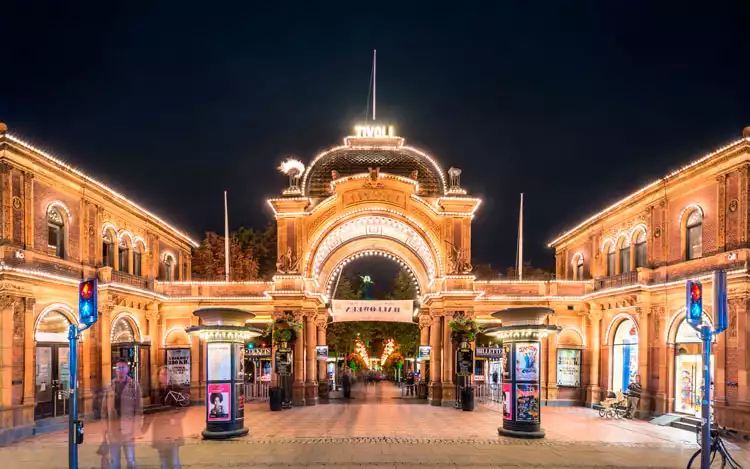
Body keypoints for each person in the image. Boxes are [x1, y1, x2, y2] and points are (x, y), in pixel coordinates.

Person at [101, 358, 143, 469]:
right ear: (115, 370)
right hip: (113, 430)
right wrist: (105, 428)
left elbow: (139, 409)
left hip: (128, 430)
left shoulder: (134, 386)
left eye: (123, 367)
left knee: (130, 460)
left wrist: (137, 427)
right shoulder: (109, 386)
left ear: (127, 369)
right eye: (118, 367)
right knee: (114, 462)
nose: (120, 370)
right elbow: (104, 409)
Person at [152, 366, 184, 469]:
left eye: (166, 374)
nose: (164, 376)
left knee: (174, 458)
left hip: (172, 428)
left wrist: (176, 418)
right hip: (159, 428)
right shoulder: (155, 391)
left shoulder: (176, 389)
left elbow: (182, 407)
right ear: (158, 376)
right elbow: (152, 410)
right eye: (162, 374)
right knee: (163, 458)